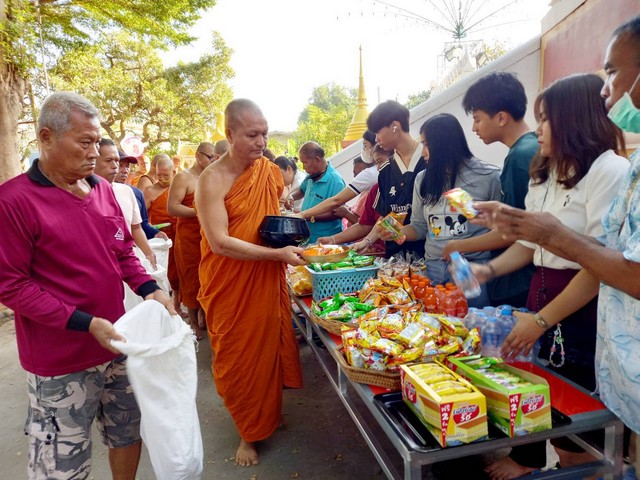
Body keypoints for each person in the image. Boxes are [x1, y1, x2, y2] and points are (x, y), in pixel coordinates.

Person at [474, 17, 640, 478]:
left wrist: (544, 317)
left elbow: (602, 261)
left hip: (580, 308)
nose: (537, 130)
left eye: (545, 119)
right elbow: (531, 245)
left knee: (581, 427)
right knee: (550, 408)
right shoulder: (546, 172)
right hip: (543, 300)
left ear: (572, 119)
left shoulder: (609, 171)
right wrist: (488, 270)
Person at [0, 91, 175, 480]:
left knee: (127, 432)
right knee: (60, 464)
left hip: (117, 342)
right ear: (46, 138)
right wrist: (85, 323)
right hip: (59, 363)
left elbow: (123, 251)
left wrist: (151, 289)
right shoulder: (13, 201)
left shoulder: (102, 191)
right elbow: (11, 286)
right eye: (85, 142)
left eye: (97, 141)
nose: (95, 151)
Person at [196, 99, 305, 467]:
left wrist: (290, 229)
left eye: (265, 133)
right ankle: (248, 433)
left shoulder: (269, 171)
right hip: (230, 282)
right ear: (229, 135)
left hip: (265, 275)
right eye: (252, 134)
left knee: (268, 348)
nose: (262, 142)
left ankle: (268, 412)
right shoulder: (211, 180)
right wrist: (277, 255)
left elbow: (268, 218)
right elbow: (220, 242)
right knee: (239, 357)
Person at [381, 113, 501, 305]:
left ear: (445, 144)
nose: (423, 152)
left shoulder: (489, 176)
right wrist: (397, 232)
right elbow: (419, 227)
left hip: (470, 269)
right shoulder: (422, 179)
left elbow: (502, 233)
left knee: (472, 328)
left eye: (427, 144)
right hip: (434, 269)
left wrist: (463, 246)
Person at [442, 72, 537, 308]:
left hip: (520, 281)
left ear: (502, 117)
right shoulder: (528, 148)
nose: (474, 128)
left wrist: (458, 246)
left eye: (477, 119)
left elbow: (517, 230)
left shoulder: (520, 157)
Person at [354, 100, 427, 258]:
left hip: (429, 253)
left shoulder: (429, 159)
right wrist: (367, 241)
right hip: (396, 257)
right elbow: (385, 214)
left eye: (378, 132)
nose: (376, 138)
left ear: (395, 126)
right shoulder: (386, 170)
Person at [168, 141, 215, 340]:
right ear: (198, 156)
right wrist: (199, 212)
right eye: (210, 157)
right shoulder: (183, 177)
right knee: (190, 278)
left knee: (207, 277)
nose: (213, 161)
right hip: (188, 237)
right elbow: (172, 208)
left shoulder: (212, 177)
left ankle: (205, 315)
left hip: (208, 235)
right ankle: (193, 321)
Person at [95, 138, 157, 269]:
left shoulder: (128, 192)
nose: (115, 166)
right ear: (93, 160)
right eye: (108, 161)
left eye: (117, 161)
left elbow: (136, 227)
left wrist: (149, 253)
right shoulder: (81, 193)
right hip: (97, 266)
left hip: (126, 265)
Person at [320, 143, 394, 251]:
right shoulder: (376, 190)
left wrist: (303, 215)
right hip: (384, 256)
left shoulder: (411, 184)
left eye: (380, 161)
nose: (379, 168)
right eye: (376, 163)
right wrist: (332, 240)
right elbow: (367, 224)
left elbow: (336, 201)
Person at [289, 141, 346, 243]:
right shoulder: (311, 176)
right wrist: (292, 197)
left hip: (327, 240)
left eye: (305, 163)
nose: (303, 167)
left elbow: (337, 213)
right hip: (309, 238)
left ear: (317, 159)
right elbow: (301, 190)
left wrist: (305, 216)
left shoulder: (335, 180)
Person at [144, 154, 180, 312]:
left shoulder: (180, 187)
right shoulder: (150, 190)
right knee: (165, 272)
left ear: (174, 172)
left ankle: (178, 303)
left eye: (166, 175)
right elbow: (142, 217)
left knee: (181, 271)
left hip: (181, 234)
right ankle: (166, 302)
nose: (162, 178)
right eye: (159, 175)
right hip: (161, 239)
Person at [114, 151, 167, 241]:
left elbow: (141, 224)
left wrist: (155, 233)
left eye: (127, 166)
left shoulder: (136, 193)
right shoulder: (96, 192)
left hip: (130, 248)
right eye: (120, 165)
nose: (125, 170)